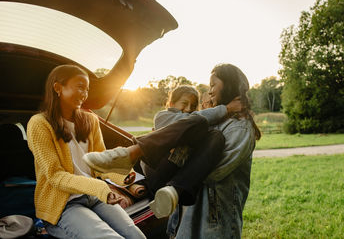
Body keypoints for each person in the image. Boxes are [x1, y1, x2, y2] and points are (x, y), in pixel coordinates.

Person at [83, 86, 244, 219]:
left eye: (193, 106)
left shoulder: (192, 122)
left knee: (216, 136)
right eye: (184, 103)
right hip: (157, 173)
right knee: (199, 121)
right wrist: (226, 109)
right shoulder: (163, 116)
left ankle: (174, 191)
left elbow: (202, 133)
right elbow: (196, 119)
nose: (188, 109)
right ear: (171, 103)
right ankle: (129, 154)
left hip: (173, 180)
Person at [27, 65, 146, 239]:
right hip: (63, 204)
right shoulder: (39, 124)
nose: (85, 94)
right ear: (58, 87)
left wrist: (123, 177)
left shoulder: (90, 120)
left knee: (136, 236)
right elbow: (55, 175)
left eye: (87, 89)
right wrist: (99, 187)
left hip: (95, 196)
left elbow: (101, 162)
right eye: (80, 87)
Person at [166, 63, 262, 238]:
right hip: (192, 209)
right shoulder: (217, 120)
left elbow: (213, 171)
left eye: (213, 85)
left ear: (229, 85)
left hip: (215, 218)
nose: (209, 91)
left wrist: (182, 161)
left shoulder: (239, 128)